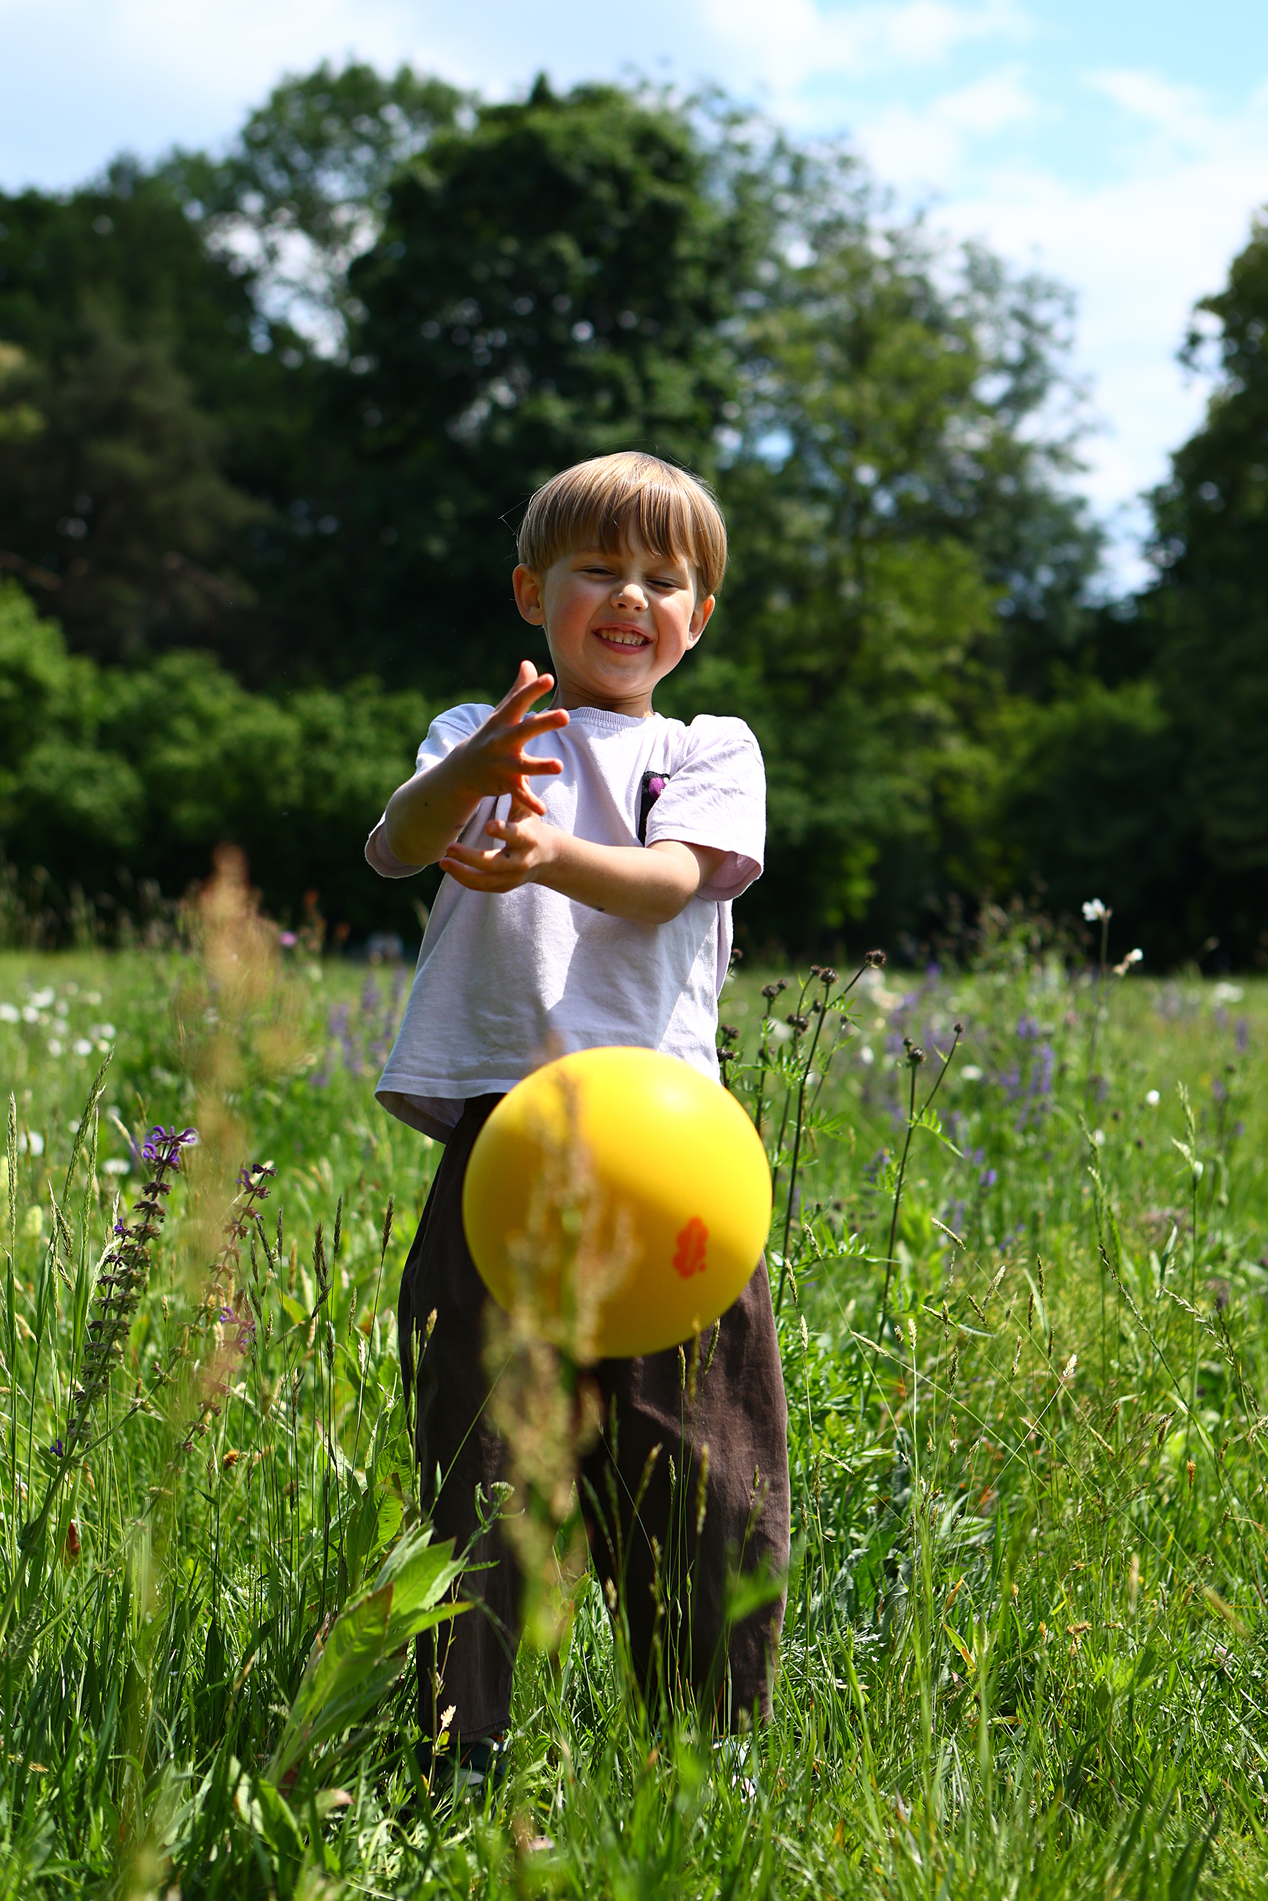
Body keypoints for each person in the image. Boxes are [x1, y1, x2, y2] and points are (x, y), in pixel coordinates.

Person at [365, 451, 790, 1791]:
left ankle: (705, 1752)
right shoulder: (479, 731)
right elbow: (398, 842)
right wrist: (471, 784)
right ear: (530, 592)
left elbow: (671, 885)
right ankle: (461, 1752)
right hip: (509, 1144)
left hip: (672, 1162)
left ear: (698, 617)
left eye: (665, 578)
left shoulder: (704, 749)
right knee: (477, 1454)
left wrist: (546, 851)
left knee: (705, 1468)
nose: (630, 596)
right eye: (597, 568)